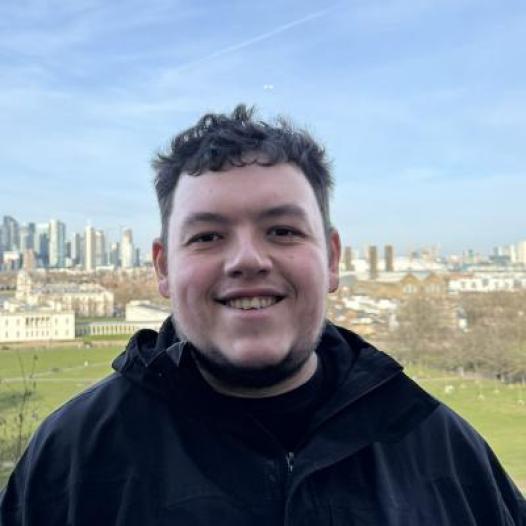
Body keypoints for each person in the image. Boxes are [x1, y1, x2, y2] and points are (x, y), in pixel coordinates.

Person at [1, 105, 524, 525]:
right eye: (208, 236)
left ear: (332, 259)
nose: (248, 259)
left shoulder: (446, 450)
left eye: (283, 231)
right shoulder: (70, 459)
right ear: (163, 268)